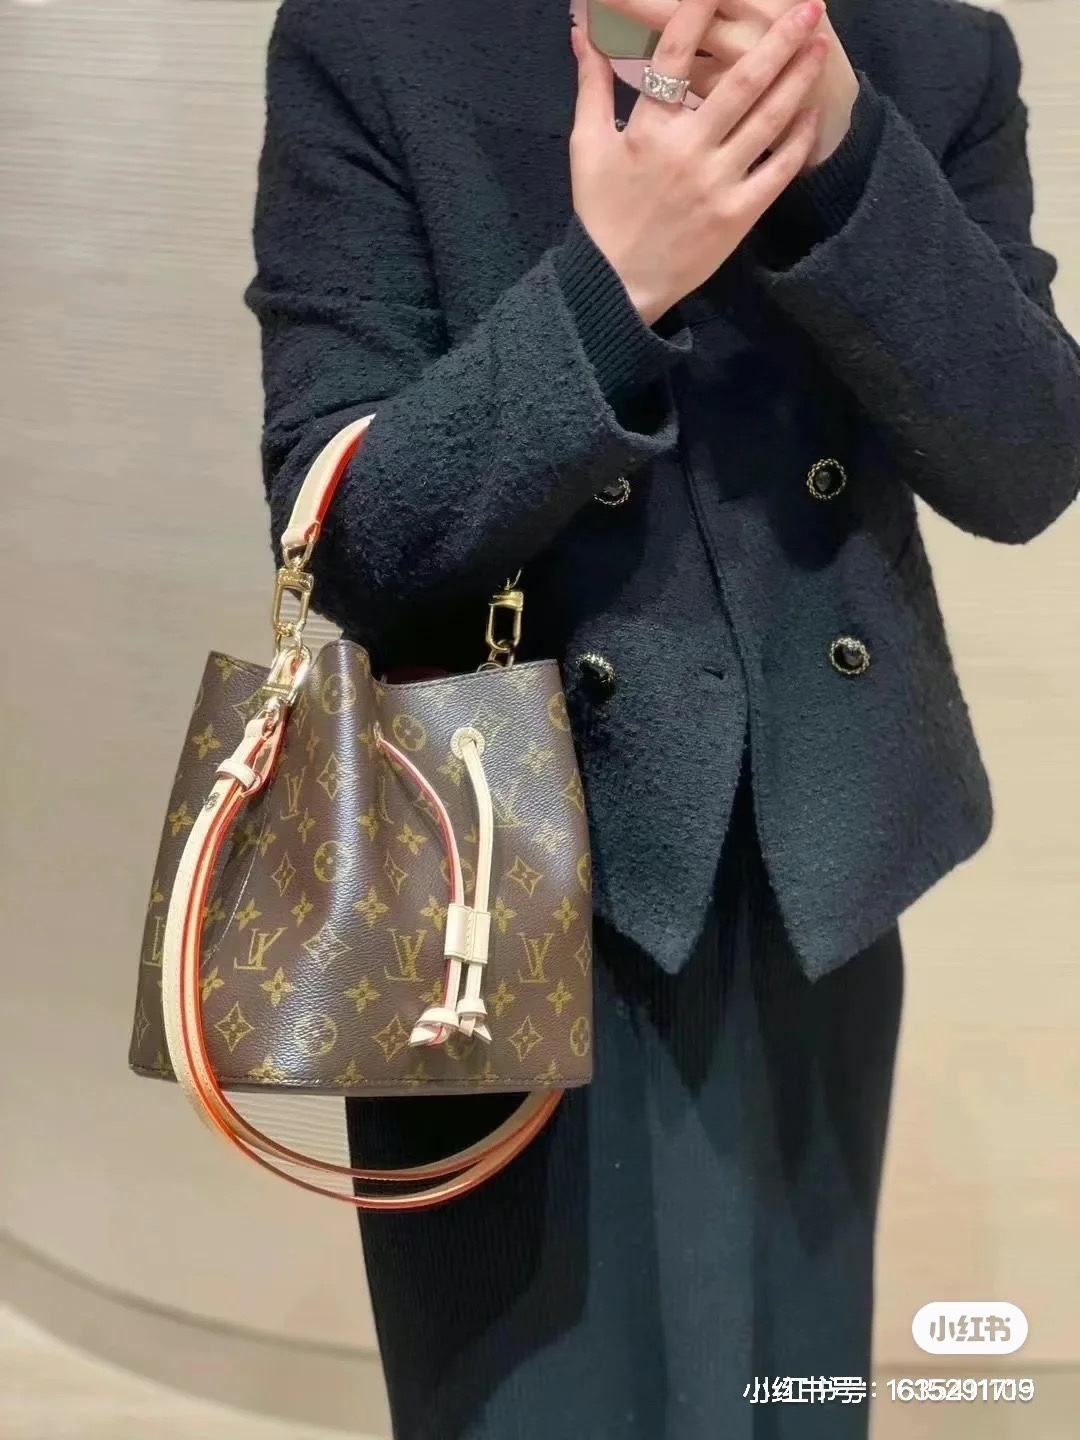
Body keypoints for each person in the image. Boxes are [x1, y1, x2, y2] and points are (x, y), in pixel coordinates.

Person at [243, 0, 1080, 1434]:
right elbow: (348, 543)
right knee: (521, 1402)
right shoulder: (381, 40)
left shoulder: (932, 53)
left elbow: (1027, 464)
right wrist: (612, 285)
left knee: (787, 1388)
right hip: (491, 892)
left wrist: (842, 148)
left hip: (816, 880)